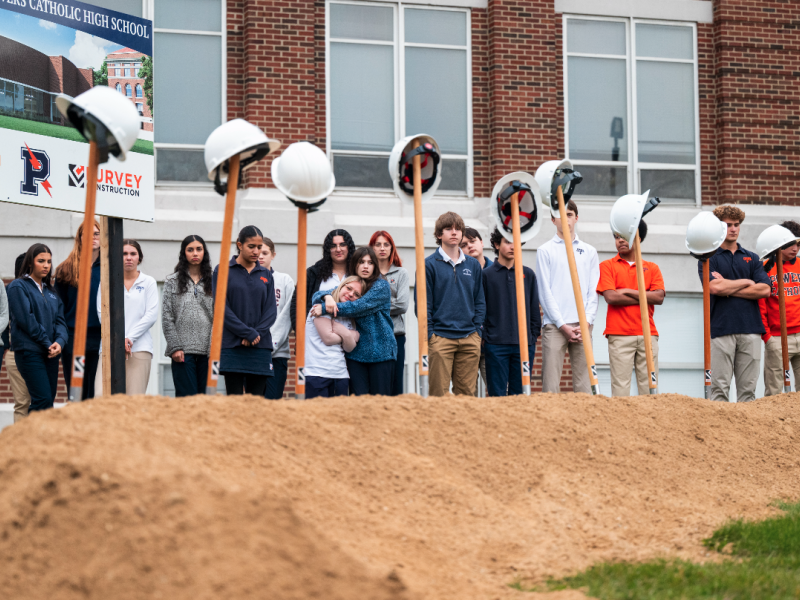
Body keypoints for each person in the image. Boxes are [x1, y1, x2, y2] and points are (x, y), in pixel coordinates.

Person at [699, 205, 770, 402]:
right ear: (719, 227)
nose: (733, 229)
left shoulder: (752, 258)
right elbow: (715, 288)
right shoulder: (707, 258)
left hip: (751, 330)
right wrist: (747, 282)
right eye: (728, 224)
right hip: (721, 329)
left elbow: (765, 290)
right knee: (719, 390)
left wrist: (729, 287)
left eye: (736, 225)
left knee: (748, 393)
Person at [415, 211, 485, 397]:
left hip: (470, 338)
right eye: (448, 229)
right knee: (438, 396)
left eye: (457, 229)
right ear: (439, 235)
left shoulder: (473, 265)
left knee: (467, 396)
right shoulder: (428, 265)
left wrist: (477, 331)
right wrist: (431, 336)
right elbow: (422, 306)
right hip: (440, 339)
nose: (454, 232)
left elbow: (480, 301)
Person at [312, 246, 397, 395]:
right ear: (355, 264)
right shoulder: (351, 283)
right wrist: (327, 298)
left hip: (381, 352)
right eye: (361, 262)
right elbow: (319, 294)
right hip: (356, 353)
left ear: (375, 266)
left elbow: (358, 306)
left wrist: (325, 308)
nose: (365, 266)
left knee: (381, 404)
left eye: (370, 263)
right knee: (358, 403)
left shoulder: (381, 286)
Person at [536, 199, 599, 393]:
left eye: (569, 214)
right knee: (550, 386)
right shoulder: (544, 251)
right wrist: (562, 325)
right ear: (553, 220)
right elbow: (544, 292)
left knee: (585, 386)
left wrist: (586, 322)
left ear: (576, 218)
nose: (565, 219)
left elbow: (593, 292)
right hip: (555, 326)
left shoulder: (589, 251)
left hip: (583, 326)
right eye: (560, 215)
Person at [597, 220, 665, 397]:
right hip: (619, 335)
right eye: (616, 237)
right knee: (620, 389)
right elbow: (611, 297)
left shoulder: (652, 268)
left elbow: (658, 297)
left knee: (650, 390)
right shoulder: (607, 266)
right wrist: (643, 295)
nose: (619, 240)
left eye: (624, 236)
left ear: (638, 238)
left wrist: (626, 291)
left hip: (648, 334)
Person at [214, 226, 277, 396]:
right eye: (251, 246)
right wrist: (246, 333)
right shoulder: (223, 270)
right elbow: (221, 307)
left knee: (256, 404)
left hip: (260, 346)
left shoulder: (266, 274)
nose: (256, 251)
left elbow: (271, 311)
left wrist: (256, 334)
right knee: (234, 402)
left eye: (259, 247)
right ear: (239, 245)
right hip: (233, 345)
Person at [7, 243, 68, 412]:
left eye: (49, 261)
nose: (46, 265)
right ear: (30, 263)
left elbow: (60, 321)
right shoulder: (18, 286)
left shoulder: (51, 290)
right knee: (42, 399)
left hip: (50, 353)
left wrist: (60, 342)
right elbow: (27, 320)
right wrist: (47, 342)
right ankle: (30, 438)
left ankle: (40, 438)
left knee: (47, 403)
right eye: (41, 261)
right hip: (29, 351)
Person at [482, 227, 540, 396]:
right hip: (495, 345)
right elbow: (481, 309)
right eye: (508, 242)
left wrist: (532, 337)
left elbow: (534, 309)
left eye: (516, 242)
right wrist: (487, 338)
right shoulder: (486, 275)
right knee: (497, 395)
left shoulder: (528, 274)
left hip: (523, 347)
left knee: (520, 396)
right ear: (496, 244)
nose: (513, 246)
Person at [96, 240, 159, 396]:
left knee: (133, 402)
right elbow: (101, 313)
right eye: (124, 254)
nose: (128, 257)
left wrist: (129, 338)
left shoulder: (148, 282)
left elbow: (151, 315)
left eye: (133, 254)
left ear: (139, 257)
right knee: (100, 398)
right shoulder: (107, 281)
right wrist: (118, 340)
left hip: (139, 348)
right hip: (109, 347)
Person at [162, 235, 214, 397]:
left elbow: (219, 316)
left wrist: (214, 348)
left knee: (206, 399)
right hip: (182, 352)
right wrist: (175, 347)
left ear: (204, 252)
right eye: (190, 250)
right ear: (184, 254)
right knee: (186, 399)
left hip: (208, 352)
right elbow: (167, 316)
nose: (195, 253)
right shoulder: (172, 281)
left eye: (199, 249)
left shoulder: (215, 281)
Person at [55, 221, 102, 400]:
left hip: (100, 340)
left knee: (95, 391)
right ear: (80, 238)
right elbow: (59, 309)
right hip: (75, 341)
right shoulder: (66, 269)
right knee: (77, 390)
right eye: (88, 234)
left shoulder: (111, 268)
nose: (92, 238)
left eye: (96, 234)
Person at [759, 220, 800, 396]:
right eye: (791, 243)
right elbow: (760, 305)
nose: (795, 248)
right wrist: (767, 337)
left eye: (798, 244)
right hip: (776, 337)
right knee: (774, 393)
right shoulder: (765, 268)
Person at [305, 276, 362, 399]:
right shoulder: (320, 307)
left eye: (356, 294)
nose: (351, 294)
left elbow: (349, 348)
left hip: (341, 375)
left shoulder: (349, 316)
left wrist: (342, 331)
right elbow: (328, 338)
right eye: (349, 288)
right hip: (317, 374)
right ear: (341, 286)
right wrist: (350, 335)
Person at [290, 229, 355, 331]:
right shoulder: (312, 273)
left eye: (342, 244)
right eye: (333, 246)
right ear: (328, 249)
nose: (338, 249)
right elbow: (296, 305)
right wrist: (302, 333)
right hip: (316, 342)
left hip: (351, 340)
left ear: (349, 247)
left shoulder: (358, 274)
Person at [370, 230, 409, 395]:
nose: (382, 248)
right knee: (376, 387)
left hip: (396, 335)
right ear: (372, 248)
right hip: (372, 336)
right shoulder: (366, 274)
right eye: (378, 244)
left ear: (392, 248)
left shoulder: (401, 273)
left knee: (395, 386)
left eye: (386, 244)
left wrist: (372, 303)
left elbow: (402, 305)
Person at [259, 238, 295, 400]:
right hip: (252, 353)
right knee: (254, 404)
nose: (260, 256)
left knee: (273, 402)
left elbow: (287, 315)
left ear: (273, 255)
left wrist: (269, 344)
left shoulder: (284, 280)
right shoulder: (245, 280)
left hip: (277, 353)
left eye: (265, 253)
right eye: (257, 252)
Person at [460, 227, 492, 393]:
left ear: (481, 242)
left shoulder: (496, 271)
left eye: (473, 241)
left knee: (497, 391)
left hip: (492, 343)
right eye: (464, 244)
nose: (470, 246)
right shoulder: (459, 273)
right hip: (467, 339)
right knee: (466, 391)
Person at [6, 254, 31, 421]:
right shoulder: (10, 290)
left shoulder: (45, 291)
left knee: (37, 401)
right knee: (23, 402)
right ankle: (22, 445)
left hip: (38, 352)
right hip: (16, 353)